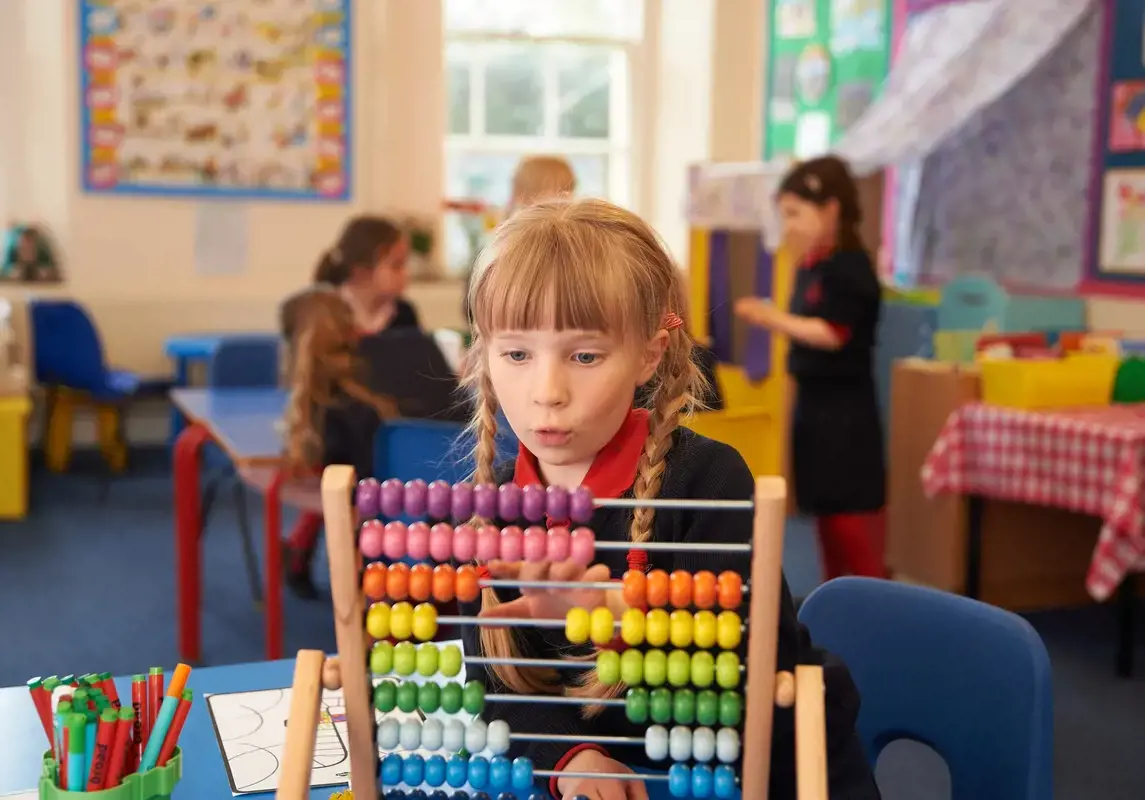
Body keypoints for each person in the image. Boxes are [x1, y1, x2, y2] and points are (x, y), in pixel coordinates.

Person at [461, 197, 879, 799]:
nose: (547, 392)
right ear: (485, 355)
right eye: (517, 354)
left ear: (648, 354)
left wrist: (618, 626)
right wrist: (570, 756)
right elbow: (493, 681)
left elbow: (739, 694)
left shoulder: (709, 484)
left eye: (584, 356)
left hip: (769, 773)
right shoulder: (494, 508)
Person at [733, 155, 886, 581]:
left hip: (846, 415)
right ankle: (836, 604)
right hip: (814, 409)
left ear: (831, 209)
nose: (791, 225)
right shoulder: (810, 265)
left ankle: (875, 609)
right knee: (825, 521)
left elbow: (833, 333)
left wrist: (770, 318)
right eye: (785, 215)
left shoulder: (850, 267)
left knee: (850, 522)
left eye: (797, 213)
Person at [281, 291, 399, 598]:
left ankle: (299, 554)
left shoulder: (322, 407)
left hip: (374, 513)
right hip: (406, 501)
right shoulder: (373, 387)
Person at [462, 155, 577, 325]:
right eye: (565, 189)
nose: (571, 198)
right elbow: (471, 306)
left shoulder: (496, 238)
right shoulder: (500, 242)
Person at [282, 215, 419, 342]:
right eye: (396, 265)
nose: (406, 274)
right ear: (361, 270)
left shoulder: (404, 314)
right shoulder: (325, 314)